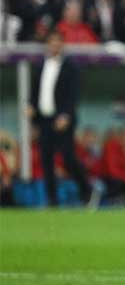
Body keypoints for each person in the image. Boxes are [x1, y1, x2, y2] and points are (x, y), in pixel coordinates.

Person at [27, 30, 91, 205]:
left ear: (63, 45)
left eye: (58, 41)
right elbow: (35, 92)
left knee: (68, 157)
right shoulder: (40, 66)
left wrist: (66, 115)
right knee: (46, 159)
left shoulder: (71, 66)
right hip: (44, 119)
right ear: (47, 45)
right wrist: (31, 108)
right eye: (51, 41)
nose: (54, 45)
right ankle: (52, 199)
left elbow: (73, 95)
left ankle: (87, 190)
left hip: (63, 120)